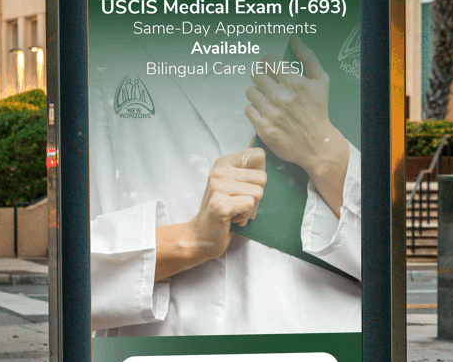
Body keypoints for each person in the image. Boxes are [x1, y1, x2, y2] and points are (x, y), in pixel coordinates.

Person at [90, 36, 361, 336]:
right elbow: (71, 278)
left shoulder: (331, 27)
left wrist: (327, 156)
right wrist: (187, 240)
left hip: (317, 361)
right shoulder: (102, 41)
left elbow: (393, 260)